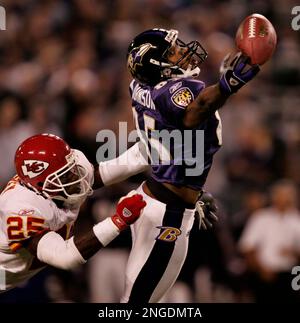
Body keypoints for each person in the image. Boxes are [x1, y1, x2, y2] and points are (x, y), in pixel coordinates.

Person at [120, 27, 260, 303]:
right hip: (168, 212)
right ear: (156, 64)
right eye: (172, 50)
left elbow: (178, 129)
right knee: (139, 303)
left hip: (153, 193)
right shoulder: (175, 91)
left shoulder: (139, 85)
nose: (182, 51)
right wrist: (227, 85)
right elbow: (194, 114)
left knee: (139, 295)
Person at [0, 133, 146, 292]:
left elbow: (99, 174)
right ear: (42, 184)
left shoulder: (51, 184)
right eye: (66, 174)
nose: (75, 176)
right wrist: (118, 220)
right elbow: (65, 256)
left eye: (72, 167)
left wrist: (151, 151)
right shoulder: (20, 209)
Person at [239, 180, 300, 302]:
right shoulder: (260, 217)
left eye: (287, 196)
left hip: (293, 273)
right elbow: (247, 247)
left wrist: (294, 252)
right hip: (264, 274)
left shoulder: (296, 219)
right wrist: (261, 269)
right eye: (280, 195)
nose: (283, 199)